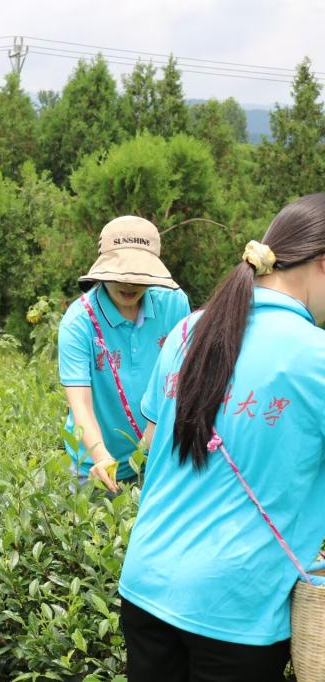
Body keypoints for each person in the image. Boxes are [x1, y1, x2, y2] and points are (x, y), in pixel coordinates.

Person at [118, 194, 325, 681]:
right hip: (236, 606)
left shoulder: (188, 330)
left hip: (147, 582)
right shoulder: (315, 356)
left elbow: (149, 444)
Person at [57, 216, 190, 493]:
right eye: (120, 274)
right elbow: (80, 404)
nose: (129, 285)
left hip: (157, 458)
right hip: (95, 464)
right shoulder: (79, 322)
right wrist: (101, 457)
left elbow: (184, 379)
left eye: (139, 275)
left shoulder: (173, 304)